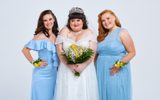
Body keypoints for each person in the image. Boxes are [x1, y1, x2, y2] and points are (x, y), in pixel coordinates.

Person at [54, 7, 99, 100]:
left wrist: (82, 65)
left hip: (85, 69)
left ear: (83, 21)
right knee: (67, 93)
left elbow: (92, 53)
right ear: (69, 22)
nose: (75, 23)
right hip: (67, 69)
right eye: (72, 20)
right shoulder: (64, 31)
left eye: (78, 20)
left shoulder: (90, 32)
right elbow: (60, 51)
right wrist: (69, 65)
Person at [96, 9, 136, 100]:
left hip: (115, 70)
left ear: (114, 17)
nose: (106, 22)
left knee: (115, 94)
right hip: (101, 71)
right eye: (103, 21)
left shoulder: (122, 32)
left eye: (108, 18)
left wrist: (118, 65)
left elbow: (132, 52)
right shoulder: (103, 36)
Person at [22, 10, 59, 100]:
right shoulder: (40, 36)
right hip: (42, 74)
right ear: (42, 22)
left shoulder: (56, 35)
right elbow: (24, 50)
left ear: (54, 20)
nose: (48, 22)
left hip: (54, 73)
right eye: (45, 20)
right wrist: (35, 62)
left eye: (50, 19)